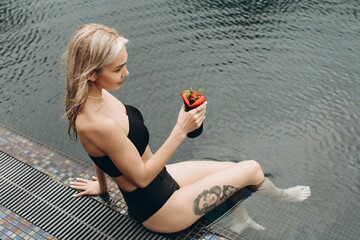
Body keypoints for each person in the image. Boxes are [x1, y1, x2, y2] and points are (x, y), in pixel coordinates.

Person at [64, 23, 311, 234]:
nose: (126, 73)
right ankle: (280, 197)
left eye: (124, 65)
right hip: (160, 210)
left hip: (163, 179)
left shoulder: (96, 99)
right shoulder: (98, 122)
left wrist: (102, 186)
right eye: (118, 69)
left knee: (232, 169)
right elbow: (141, 178)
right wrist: (180, 129)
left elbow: (99, 153)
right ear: (91, 74)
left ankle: (240, 219)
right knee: (252, 168)